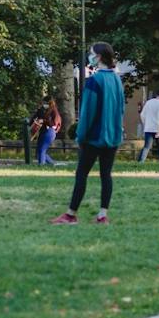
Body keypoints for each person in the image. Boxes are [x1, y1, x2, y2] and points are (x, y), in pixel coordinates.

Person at [53, 42, 124, 224]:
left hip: (94, 138)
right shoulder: (117, 80)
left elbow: (87, 113)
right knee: (106, 175)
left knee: (81, 174)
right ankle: (102, 215)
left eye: (91, 54)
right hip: (113, 138)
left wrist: (81, 136)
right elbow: (120, 110)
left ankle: (70, 214)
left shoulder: (94, 81)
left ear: (98, 57)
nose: (89, 56)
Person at [138, 90, 159, 162]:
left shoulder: (148, 102)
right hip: (158, 129)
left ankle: (141, 161)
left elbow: (142, 115)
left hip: (148, 128)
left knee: (146, 147)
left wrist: (146, 124)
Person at [37, 97, 62, 166]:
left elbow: (54, 123)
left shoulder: (54, 111)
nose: (43, 104)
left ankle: (41, 165)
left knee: (42, 149)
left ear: (49, 103)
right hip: (45, 131)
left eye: (44, 103)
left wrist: (44, 121)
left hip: (50, 131)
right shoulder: (47, 110)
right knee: (40, 150)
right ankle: (52, 163)